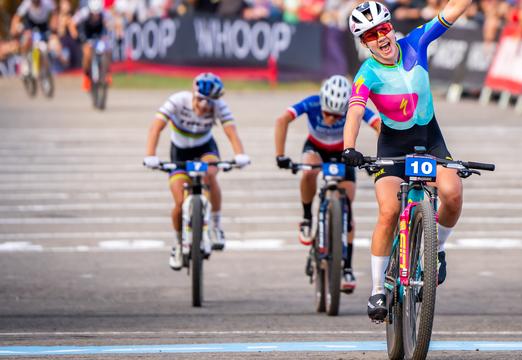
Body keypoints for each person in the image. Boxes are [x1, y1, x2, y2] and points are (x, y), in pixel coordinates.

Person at [341, 0, 471, 322]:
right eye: (370, 35)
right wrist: (349, 147)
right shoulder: (367, 73)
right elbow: (355, 111)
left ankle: (436, 249)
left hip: (429, 139)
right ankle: (376, 289)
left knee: (452, 194)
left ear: (391, 28)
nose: (380, 38)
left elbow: (452, 11)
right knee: (388, 211)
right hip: (392, 146)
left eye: (383, 29)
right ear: (363, 43)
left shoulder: (416, 42)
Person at [274, 75, 380, 291]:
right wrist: (280, 155)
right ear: (321, 103)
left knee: (347, 209)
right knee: (308, 171)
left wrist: (380, 158)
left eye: (336, 115)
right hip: (316, 148)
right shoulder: (312, 102)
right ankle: (306, 217)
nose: (331, 119)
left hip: (344, 153)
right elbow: (282, 119)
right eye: (327, 113)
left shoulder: (353, 103)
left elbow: (379, 124)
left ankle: (347, 266)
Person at [143, 73, 251, 271]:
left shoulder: (219, 106)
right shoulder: (177, 100)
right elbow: (156, 128)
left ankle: (216, 227)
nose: (204, 107)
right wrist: (150, 155)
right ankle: (177, 243)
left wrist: (240, 154)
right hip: (179, 152)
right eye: (201, 100)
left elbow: (231, 132)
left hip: (205, 149)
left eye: (210, 102)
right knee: (178, 202)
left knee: (210, 174)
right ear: (193, 93)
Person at [69, 0, 112, 91]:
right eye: (93, 13)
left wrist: (108, 30)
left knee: (107, 50)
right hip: (86, 35)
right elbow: (72, 24)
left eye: (97, 13)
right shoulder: (83, 13)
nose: (95, 16)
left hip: (99, 35)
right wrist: (77, 37)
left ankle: (107, 73)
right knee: (87, 54)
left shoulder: (104, 13)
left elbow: (111, 24)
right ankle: (86, 76)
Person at [10, 0, 56, 76]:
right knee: (26, 38)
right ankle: (24, 61)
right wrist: (13, 28)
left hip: (43, 25)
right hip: (30, 24)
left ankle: (45, 66)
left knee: (49, 43)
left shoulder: (47, 2)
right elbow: (17, 17)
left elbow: (55, 13)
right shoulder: (26, 3)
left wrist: (54, 24)